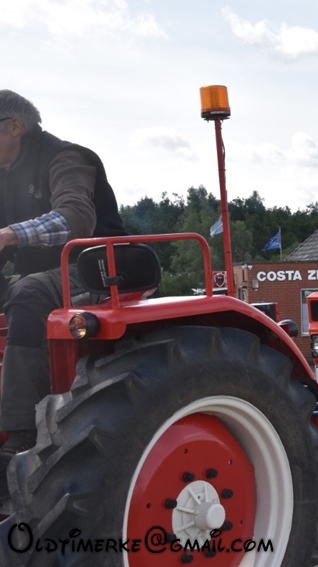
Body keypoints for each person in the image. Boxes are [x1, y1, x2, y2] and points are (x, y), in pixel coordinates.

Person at [0, 90, 127, 499]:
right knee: (26, 287)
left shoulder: (67, 158)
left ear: (14, 127)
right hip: (40, 273)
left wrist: (9, 235)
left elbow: (75, 219)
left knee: (28, 292)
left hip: (97, 268)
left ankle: (19, 435)